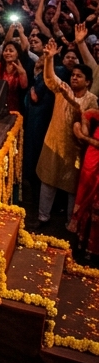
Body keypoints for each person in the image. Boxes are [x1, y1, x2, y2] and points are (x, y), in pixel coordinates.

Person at [38, 40, 97, 226]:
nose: (74, 78)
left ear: (88, 81)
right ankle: (42, 218)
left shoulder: (92, 101)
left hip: (76, 149)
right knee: (48, 181)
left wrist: (70, 101)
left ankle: (71, 223)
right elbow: (49, 78)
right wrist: (49, 58)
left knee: (73, 188)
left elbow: (87, 122)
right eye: (73, 75)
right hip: (54, 142)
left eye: (79, 76)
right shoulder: (63, 89)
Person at [70, 110, 99, 261]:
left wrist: (83, 136)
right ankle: (84, 246)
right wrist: (84, 121)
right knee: (87, 200)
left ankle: (93, 250)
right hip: (93, 158)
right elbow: (89, 113)